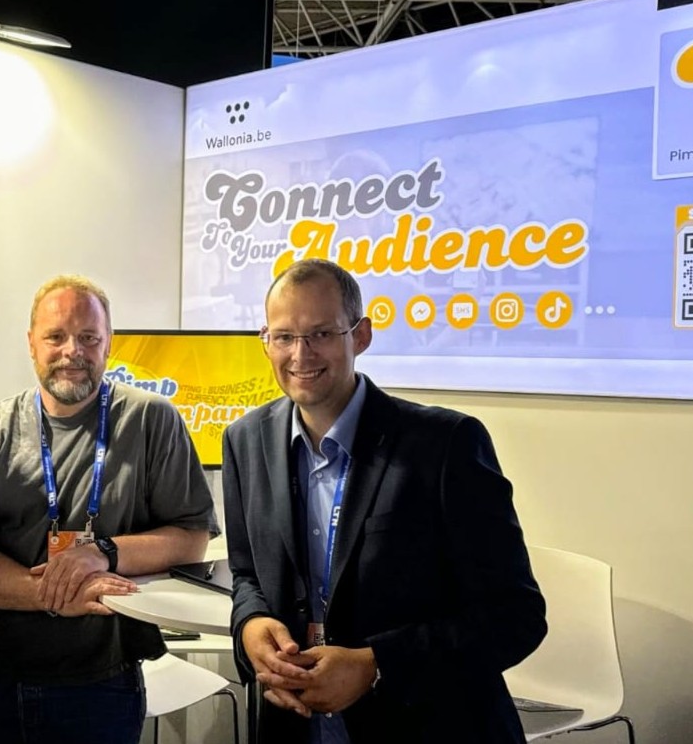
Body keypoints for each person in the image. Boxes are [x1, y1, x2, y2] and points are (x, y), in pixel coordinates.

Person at [222, 258, 547, 744]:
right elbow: (248, 575)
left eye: (321, 334)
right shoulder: (245, 441)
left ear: (361, 336)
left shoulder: (445, 445)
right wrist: (251, 625)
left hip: (427, 726)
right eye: (284, 336)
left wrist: (376, 665)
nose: (300, 354)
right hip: (298, 724)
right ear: (265, 341)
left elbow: (515, 616)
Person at [0, 274, 217, 744]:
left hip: (102, 685)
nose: (72, 351)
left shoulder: (151, 420)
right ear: (31, 343)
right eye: (56, 336)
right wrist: (52, 594)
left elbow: (192, 537)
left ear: (108, 343)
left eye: (89, 337)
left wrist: (102, 553)